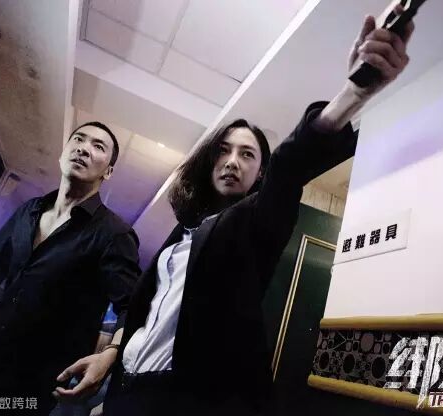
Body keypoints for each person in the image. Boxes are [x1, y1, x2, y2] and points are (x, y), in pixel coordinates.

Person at [56, 10, 414, 416]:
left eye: (247, 154)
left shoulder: (254, 224)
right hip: (126, 393)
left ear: (260, 172)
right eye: (224, 150)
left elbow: (290, 166)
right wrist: (112, 358)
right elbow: (151, 314)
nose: (231, 161)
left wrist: (355, 92)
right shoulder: (184, 231)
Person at [0, 121, 141, 415]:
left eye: (98, 146)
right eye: (78, 139)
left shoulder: (114, 234)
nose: (84, 148)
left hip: (35, 380)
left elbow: (133, 306)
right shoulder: (29, 210)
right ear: (63, 153)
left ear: (108, 172)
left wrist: (110, 354)